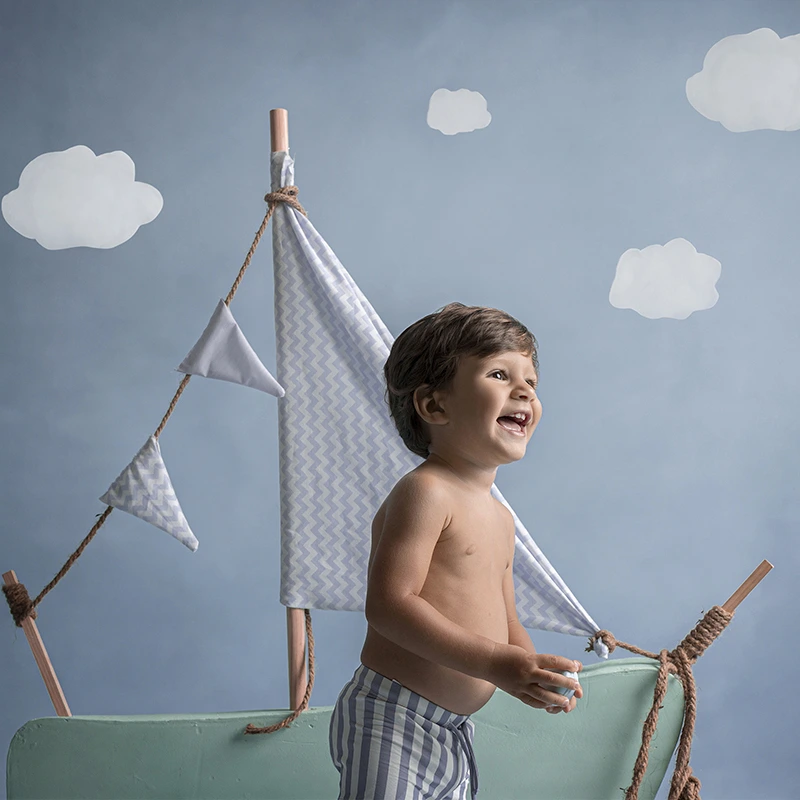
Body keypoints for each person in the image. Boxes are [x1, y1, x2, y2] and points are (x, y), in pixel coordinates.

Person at [329, 302, 583, 799]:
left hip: (452, 728)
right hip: (393, 716)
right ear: (435, 406)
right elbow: (389, 605)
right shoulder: (427, 492)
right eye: (498, 373)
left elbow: (507, 619)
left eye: (530, 379)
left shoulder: (500, 518)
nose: (525, 390)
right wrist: (495, 665)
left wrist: (533, 670)